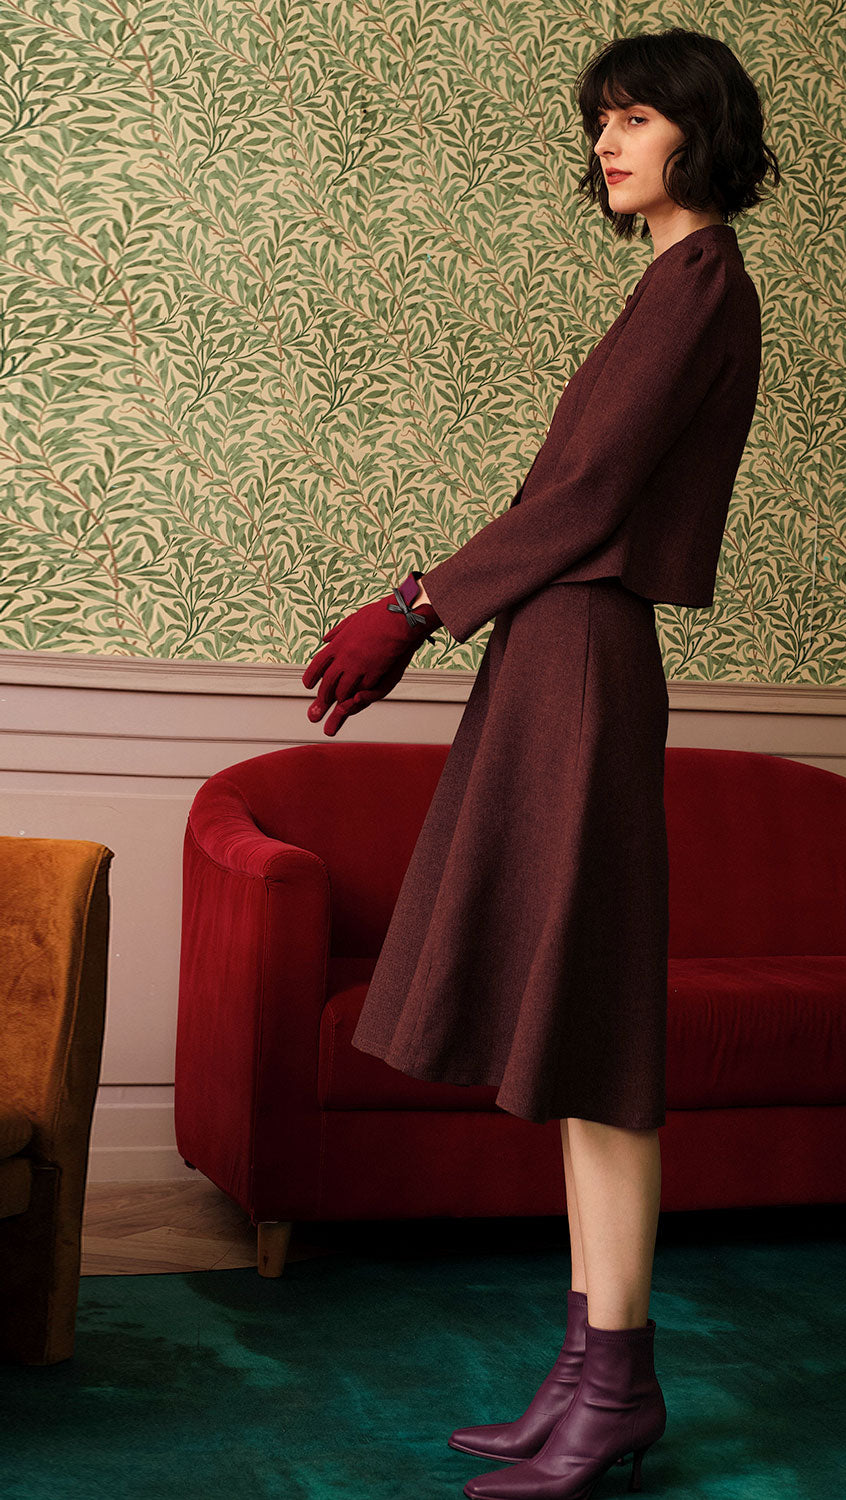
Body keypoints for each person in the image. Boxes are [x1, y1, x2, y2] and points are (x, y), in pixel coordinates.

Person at [301, 26, 778, 1500]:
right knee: (570, 1033)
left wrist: (411, 607)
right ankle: (581, 1380)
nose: (607, 143)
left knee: (596, 1031)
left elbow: (583, 493)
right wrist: (439, 612)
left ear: (700, 131)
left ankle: (616, 1387)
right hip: (554, 647)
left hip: (580, 650)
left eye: (635, 117)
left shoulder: (702, 286)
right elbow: (576, 497)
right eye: (600, 122)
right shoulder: (669, 287)